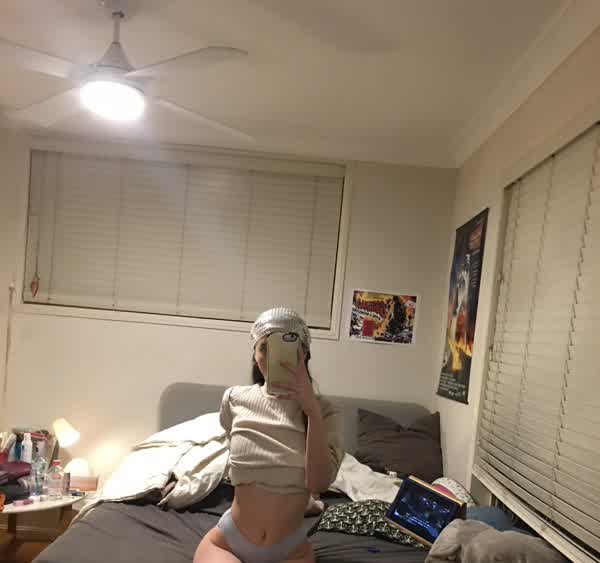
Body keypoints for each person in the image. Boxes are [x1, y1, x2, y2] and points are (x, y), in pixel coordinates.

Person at [194, 307, 344, 563]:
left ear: (304, 354)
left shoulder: (325, 411)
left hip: (291, 549)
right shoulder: (234, 399)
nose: (274, 357)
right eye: (265, 348)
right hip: (229, 542)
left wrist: (311, 411)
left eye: (286, 349)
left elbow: (318, 485)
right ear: (254, 355)